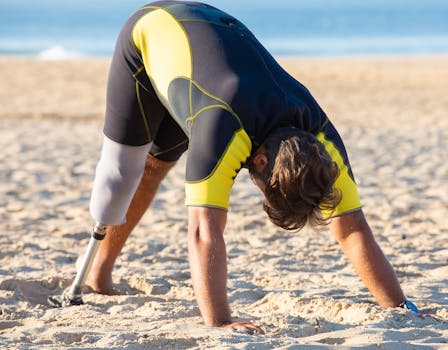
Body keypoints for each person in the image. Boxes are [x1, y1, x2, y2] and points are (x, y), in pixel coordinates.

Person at [83, 1, 417, 334]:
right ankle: (97, 274)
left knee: (161, 161)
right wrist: (221, 321)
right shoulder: (223, 129)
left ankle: (100, 274)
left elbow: (352, 227)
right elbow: (203, 232)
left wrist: (401, 308)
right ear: (259, 161)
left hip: (208, 40)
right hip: (149, 33)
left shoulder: (322, 142)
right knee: (127, 169)